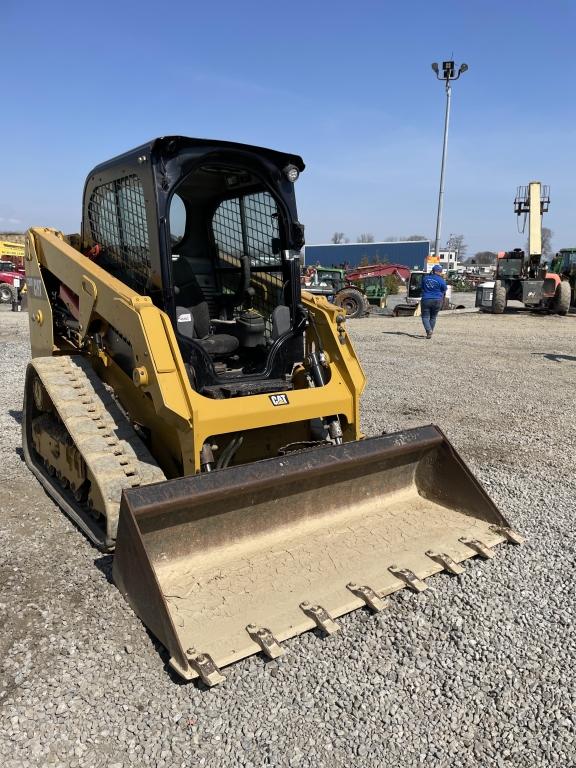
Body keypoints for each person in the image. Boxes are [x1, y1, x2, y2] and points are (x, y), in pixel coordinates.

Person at [420, 264, 447, 339]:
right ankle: (430, 331)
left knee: (425, 317)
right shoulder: (441, 280)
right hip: (437, 300)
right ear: (440, 272)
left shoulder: (425, 278)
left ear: (433, 270)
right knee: (433, 317)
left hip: (426, 299)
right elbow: (445, 289)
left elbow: (421, 287)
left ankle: (429, 330)